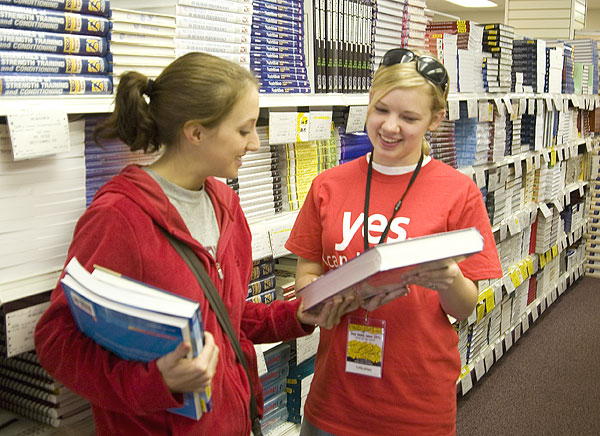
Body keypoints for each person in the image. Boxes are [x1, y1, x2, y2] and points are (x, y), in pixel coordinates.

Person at [34, 52, 354, 436]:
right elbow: (58, 342)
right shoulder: (119, 219)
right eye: (244, 129)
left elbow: (223, 318)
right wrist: (157, 381)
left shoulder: (226, 206)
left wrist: (294, 316)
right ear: (196, 132)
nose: (254, 144)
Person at [285, 48, 504, 436]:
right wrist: (317, 300)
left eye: (409, 117)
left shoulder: (459, 192)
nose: (390, 126)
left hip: (416, 401)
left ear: (435, 120)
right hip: (334, 399)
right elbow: (307, 271)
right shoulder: (327, 185)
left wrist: (448, 276)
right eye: (381, 110)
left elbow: (466, 306)